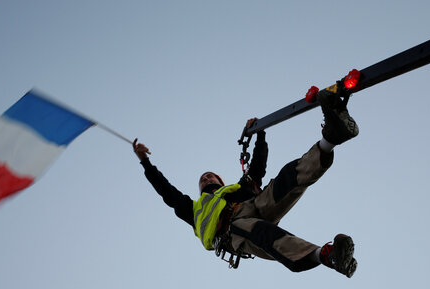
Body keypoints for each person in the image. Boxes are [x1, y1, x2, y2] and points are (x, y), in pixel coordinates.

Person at [133, 89, 359, 277]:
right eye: (203, 179)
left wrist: (260, 135)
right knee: (262, 233)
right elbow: (167, 193)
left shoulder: (238, 189)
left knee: (287, 179)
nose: (206, 178)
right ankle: (327, 255)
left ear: (220, 181)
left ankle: (330, 138)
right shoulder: (194, 210)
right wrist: (146, 162)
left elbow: (257, 169)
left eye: (211, 176)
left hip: (254, 205)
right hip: (232, 230)